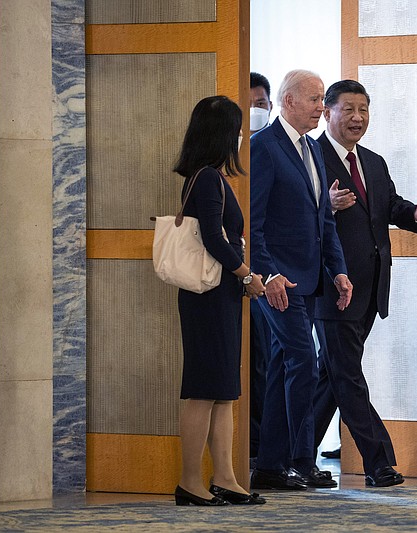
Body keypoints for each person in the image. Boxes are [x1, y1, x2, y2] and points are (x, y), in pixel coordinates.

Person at [312, 80, 417, 487]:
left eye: (363, 109)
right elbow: (290, 213)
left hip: (370, 288)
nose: (357, 117)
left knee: (330, 378)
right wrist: (323, 206)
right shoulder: (310, 157)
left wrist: (413, 215)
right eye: (348, 109)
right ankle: (378, 462)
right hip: (332, 285)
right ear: (328, 112)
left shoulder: (373, 160)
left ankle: (283, 458)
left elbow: (385, 207)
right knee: (346, 374)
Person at [249, 70, 353, 490]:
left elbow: (323, 220)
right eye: (315, 100)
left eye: (323, 100)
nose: (321, 108)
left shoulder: (312, 148)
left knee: (282, 367)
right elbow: (252, 224)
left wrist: (339, 269)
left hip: (309, 280)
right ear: (288, 101)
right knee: (304, 365)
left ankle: (270, 467)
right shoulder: (264, 148)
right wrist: (267, 273)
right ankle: (301, 460)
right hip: (277, 281)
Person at [172, 95, 267, 506]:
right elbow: (214, 237)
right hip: (208, 297)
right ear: (224, 134)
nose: (242, 136)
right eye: (238, 129)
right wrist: (247, 275)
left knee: (225, 390)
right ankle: (190, 482)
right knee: (203, 390)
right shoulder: (208, 178)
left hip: (221, 296)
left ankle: (226, 477)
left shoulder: (209, 177)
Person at [248, 72, 273, 464]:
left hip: (273, 279)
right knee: (254, 364)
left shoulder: (274, 147)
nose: (254, 111)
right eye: (248, 103)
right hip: (248, 275)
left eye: (260, 104)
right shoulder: (249, 152)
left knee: (270, 362)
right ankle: (254, 450)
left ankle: (266, 451)